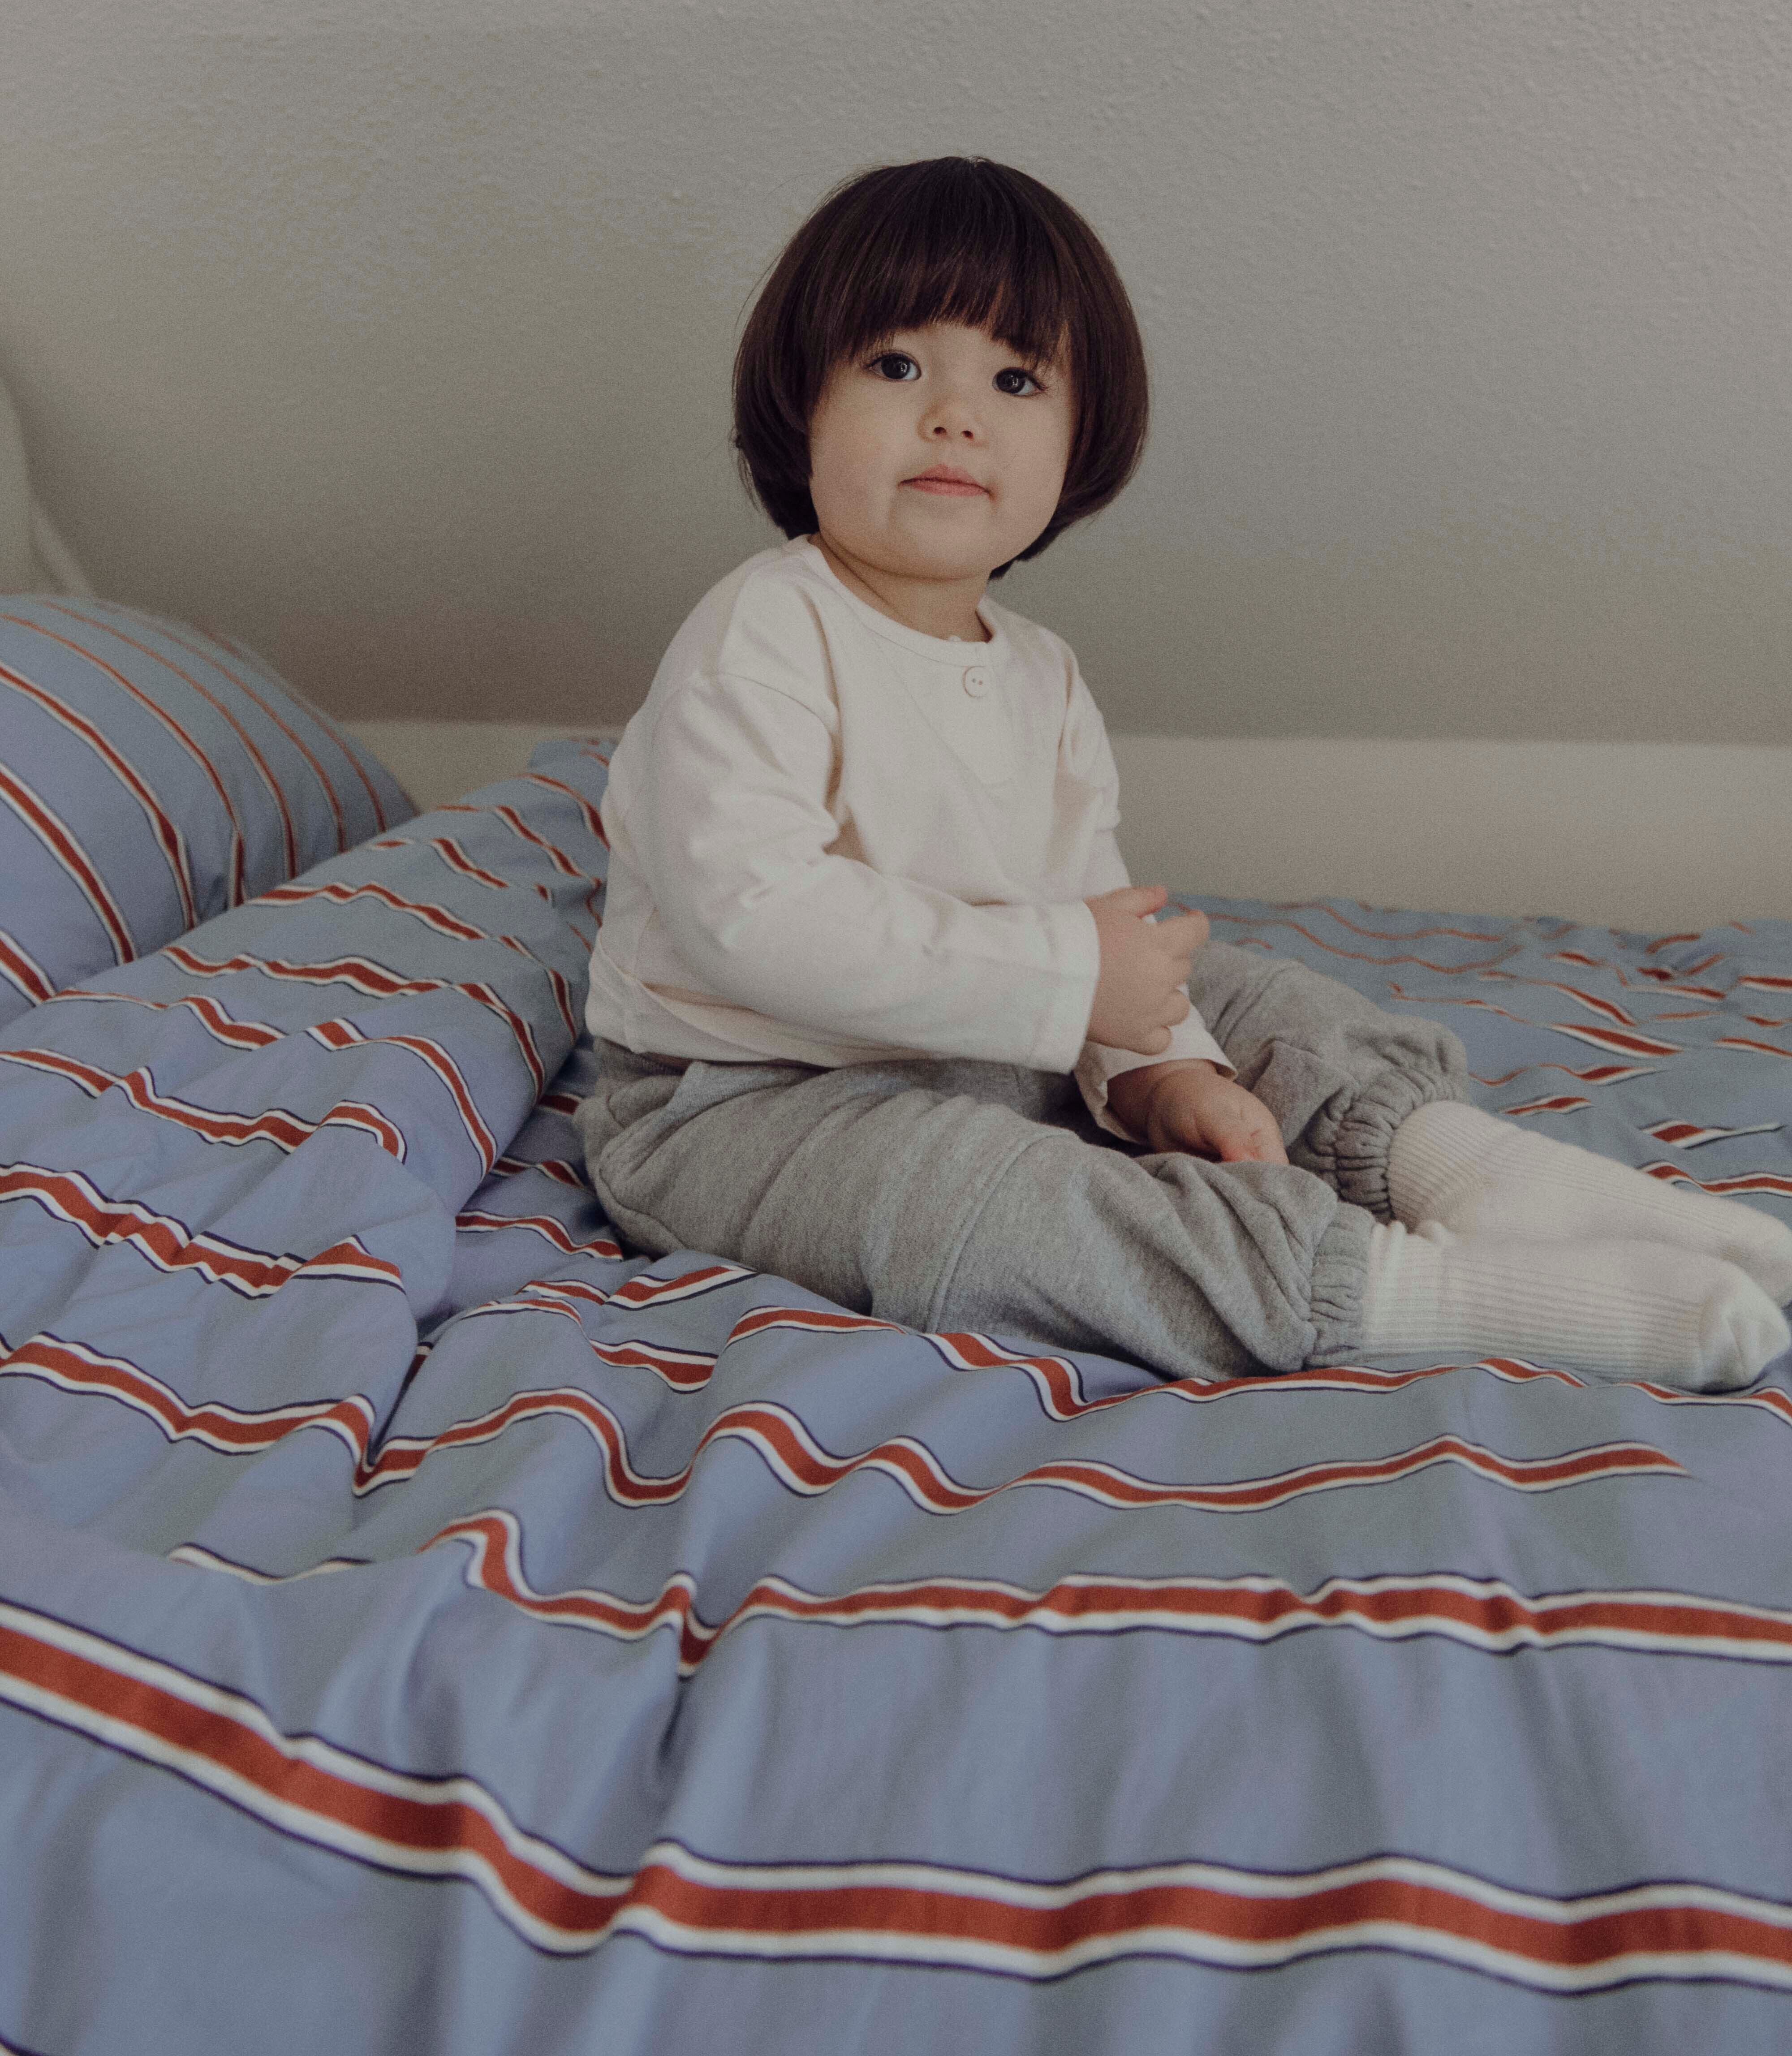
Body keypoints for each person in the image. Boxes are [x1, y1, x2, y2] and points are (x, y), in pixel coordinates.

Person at [578, 157, 1792, 1389]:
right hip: (746, 1099)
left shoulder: (1042, 673)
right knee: (968, 1195)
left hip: (995, 1045)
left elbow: (1090, 912)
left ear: (1080, 444)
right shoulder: (764, 629)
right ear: (801, 404)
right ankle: (1390, 1287)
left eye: (1015, 380)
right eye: (897, 367)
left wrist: (1162, 1068)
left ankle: (1456, 1167)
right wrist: (1073, 979)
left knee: (1222, 984)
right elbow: (753, 918)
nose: (955, 416)